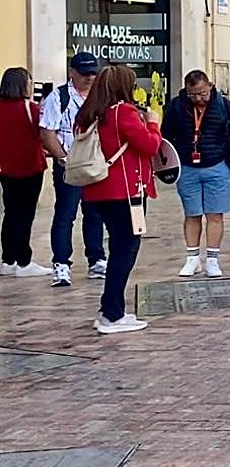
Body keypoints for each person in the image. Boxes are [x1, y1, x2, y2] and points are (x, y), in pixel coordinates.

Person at [75, 65, 162, 334]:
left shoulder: (89, 113)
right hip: (125, 190)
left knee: (118, 248)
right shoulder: (122, 112)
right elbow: (148, 145)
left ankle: (108, 308)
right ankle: (112, 314)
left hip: (96, 190)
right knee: (125, 251)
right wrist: (153, 123)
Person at [162, 70, 230, 278]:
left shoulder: (224, 106)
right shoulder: (176, 107)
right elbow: (165, 136)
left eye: (201, 93)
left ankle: (212, 260)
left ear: (210, 86)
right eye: (192, 94)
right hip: (187, 168)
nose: (198, 98)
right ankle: (192, 259)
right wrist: (173, 162)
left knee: (215, 215)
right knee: (192, 214)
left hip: (217, 166)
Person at [39, 51, 106, 287]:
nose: (90, 78)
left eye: (93, 73)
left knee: (95, 213)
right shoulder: (58, 98)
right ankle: (61, 263)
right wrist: (63, 159)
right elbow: (47, 133)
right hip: (69, 164)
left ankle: (96, 259)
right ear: (72, 73)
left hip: (94, 164)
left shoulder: (100, 97)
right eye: (85, 73)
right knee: (65, 214)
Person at [0, 67, 51, 277]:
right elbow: (44, 132)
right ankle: (23, 260)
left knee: (11, 213)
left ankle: (8, 259)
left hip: (5, 167)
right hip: (30, 166)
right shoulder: (30, 108)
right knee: (25, 214)